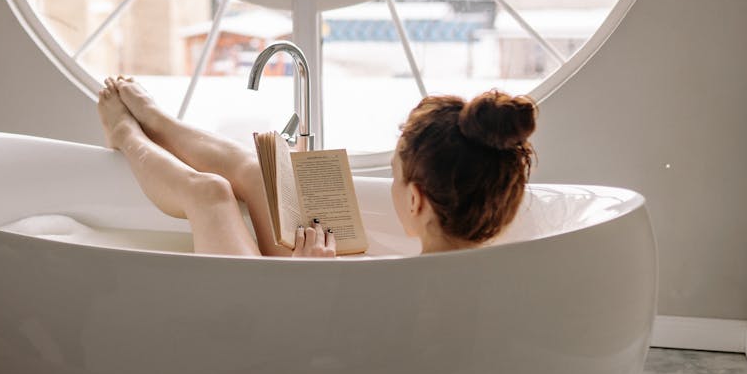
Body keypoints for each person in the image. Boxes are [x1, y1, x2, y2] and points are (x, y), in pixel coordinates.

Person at [97, 76, 536, 258]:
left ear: (416, 201)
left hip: (259, 328)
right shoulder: (492, 270)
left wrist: (310, 286)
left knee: (209, 194)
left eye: (393, 176)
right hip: (314, 298)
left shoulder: (414, 289)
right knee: (256, 173)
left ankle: (127, 136)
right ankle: (159, 122)